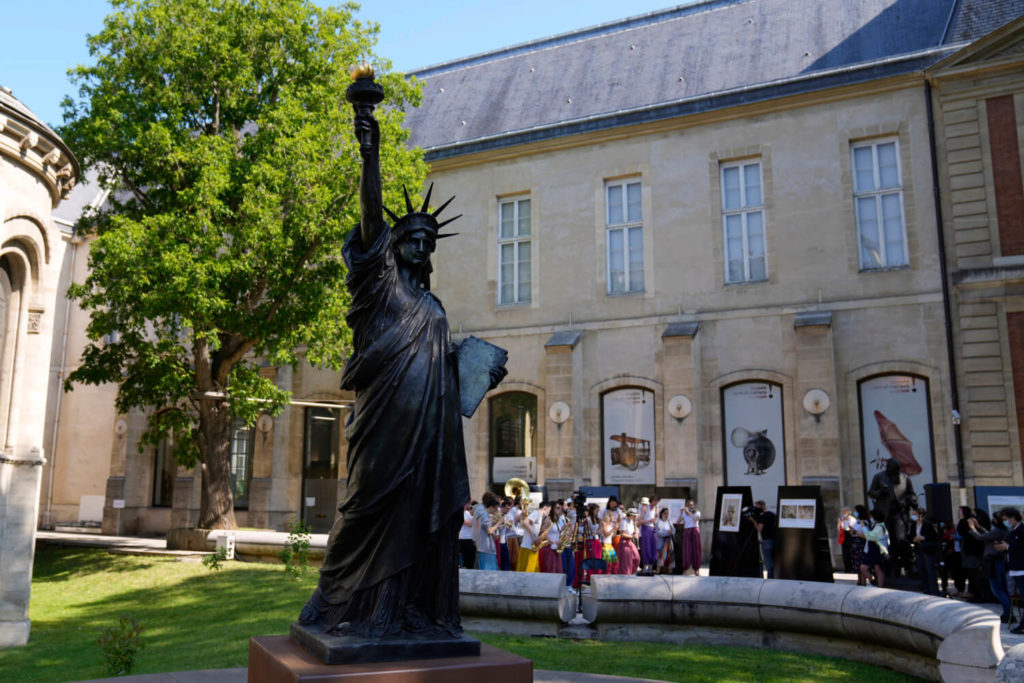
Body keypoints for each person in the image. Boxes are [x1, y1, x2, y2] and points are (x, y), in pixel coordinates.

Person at [298, 100, 504, 639]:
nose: (421, 243)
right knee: (363, 509)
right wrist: (371, 152)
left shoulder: (434, 309)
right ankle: (333, 600)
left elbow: (439, 373)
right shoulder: (380, 289)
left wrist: (473, 373)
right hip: (384, 428)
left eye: (428, 240)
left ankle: (407, 610)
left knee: (418, 522)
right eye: (412, 237)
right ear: (394, 246)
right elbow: (371, 215)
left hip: (429, 439)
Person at [968, 510, 1013, 624]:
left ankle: (1008, 613)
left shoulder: (999, 530)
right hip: (999, 561)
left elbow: (982, 538)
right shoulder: (1002, 530)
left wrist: (972, 528)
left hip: (994, 562)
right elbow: (988, 535)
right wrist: (979, 526)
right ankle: (1009, 612)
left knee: (997, 590)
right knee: (1003, 589)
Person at [997, 508, 1024, 634]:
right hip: (1015, 568)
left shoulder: (1021, 530)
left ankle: (1023, 625)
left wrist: (1008, 547)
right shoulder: (1012, 531)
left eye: (1007, 519)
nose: (1007, 522)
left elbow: (1020, 549)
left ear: (1013, 518)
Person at [909, 506, 938, 595]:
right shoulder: (913, 525)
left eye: (915, 513)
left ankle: (934, 589)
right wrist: (913, 539)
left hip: (927, 549)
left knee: (930, 569)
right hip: (918, 549)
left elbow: (934, 536)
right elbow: (910, 536)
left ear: (920, 514)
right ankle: (926, 588)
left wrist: (923, 537)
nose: (913, 515)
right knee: (921, 569)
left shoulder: (928, 525)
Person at [957, 506, 984, 601]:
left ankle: (975, 594)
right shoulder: (967, 522)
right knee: (971, 573)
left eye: (960, 511)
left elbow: (975, 535)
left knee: (973, 574)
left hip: (972, 552)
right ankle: (973, 593)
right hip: (970, 551)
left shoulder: (967, 522)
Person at [858, 508, 889, 588]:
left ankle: (875, 583)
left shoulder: (880, 527)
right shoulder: (876, 525)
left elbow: (870, 536)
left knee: (865, 567)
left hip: (877, 550)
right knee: (877, 567)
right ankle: (876, 584)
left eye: (871, 516)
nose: (870, 518)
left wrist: (863, 527)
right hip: (873, 549)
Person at [517, 500, 549, 572]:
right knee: (527, 574)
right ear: (545, 508)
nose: (549, 512)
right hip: (528, 548)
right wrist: (533, 536)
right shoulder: (537, 513)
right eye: (549, 510)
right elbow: (525, 523)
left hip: (531, 548)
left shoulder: (539, 516)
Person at [472, 492, 501, 570]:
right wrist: (499, 523)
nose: (496, 511)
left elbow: (485, 527)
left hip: (482, 547)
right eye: (496, 508)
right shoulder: (484, 514)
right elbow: (489, 530)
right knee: (489, 574)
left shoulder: (480, 511)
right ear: (491, 506)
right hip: (486, 548)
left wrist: (495, 523)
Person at [753, 500, 777, 579]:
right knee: (773, 561)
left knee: (768, 563)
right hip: (774, 540)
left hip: (766, 540)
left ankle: (769, 579)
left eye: (757, 506)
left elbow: (759, 529)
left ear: (761, 506)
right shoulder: (772, 514)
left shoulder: (762, 517)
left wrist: (753, 521)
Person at [677, 499, 702, 575]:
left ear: (694, 505)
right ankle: (685, 568)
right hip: (687, 531)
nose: (690, 506)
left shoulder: (697, 512)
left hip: (695, 530)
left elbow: (695, 519)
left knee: (696, 550)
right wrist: (681, 513)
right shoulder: (684, 513)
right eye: (689, 505)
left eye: (692, 505)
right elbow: (678, 521)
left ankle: (696, 569)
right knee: (686, 550)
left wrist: (689, 512)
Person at [538, 500, 563, 574]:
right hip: (548, 547)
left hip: (555, 547)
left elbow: (556, 532)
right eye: (557, 508)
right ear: (552, 508)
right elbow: (542, 532)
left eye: (560, 508)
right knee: (551, 569)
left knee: (557, 569)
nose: (559, 510)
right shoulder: (548, 519)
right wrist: (553, 541)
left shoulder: (557, 520)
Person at [617, 508, 641, 575]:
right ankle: (626, 574)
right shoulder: (624, 522)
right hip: (624, 542)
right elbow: (623, 534)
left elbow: (635, 531)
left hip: (630, 541)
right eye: (634, 515)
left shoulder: (632, 522)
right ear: (629, 515)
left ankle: (631, 572)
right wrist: (632, 536)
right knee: (626, 561)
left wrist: (636, 531)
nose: (635, 517)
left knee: (637, 558)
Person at [638, 496, 659, 574]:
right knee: (646, 547)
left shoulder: (656, 509)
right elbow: (639, 522)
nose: (656, 503)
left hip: (652, 529)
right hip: (646, 528)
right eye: (654, 501)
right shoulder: (645, 509)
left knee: (653, 547)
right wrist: (649, 520)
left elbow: (656, 520)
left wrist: (655, 520)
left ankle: (650, 566)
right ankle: (645, 566)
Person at [848, 506, 868, 584]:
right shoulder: (857, 521)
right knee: (856, 561)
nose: (855, 513)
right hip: (855, 542)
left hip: (860, 543)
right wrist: (851, 531)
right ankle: (859, 579)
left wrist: (855, 532)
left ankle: (863, 581)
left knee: (860, 561)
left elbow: (865, 534)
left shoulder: (864, 522)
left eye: (856, 511)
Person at [655, 506, 676, 574]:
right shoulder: (659, 522)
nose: (666, 515)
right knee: (661, 556)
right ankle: (658, 571)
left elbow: (674, 530)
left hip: (669, 542)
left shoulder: (669, 522)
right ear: (661, 514)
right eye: (664, 513)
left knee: (670, 556)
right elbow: (659, 532)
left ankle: (670, 571)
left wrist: (671, 531)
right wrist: (667, 532)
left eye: (667, 513)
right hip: (662, 542)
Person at [600, 508, 620, 574]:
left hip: (610, 545)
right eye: (612, 516)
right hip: (605, 545)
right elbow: (606, 534)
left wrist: (616, 529)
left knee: (615, 562)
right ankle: (606, 577)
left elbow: (613, 537)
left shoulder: (611, 525)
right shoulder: (604, 523)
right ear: (609, 516)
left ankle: (613, 576)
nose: (614, 517)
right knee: (608, 564)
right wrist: (614, 529)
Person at [458, 500, 476, 569]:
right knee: (466, 562)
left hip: (469, 539)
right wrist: (476, 514)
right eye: (468, 503)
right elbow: (470, 524)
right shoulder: (460, 513)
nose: (470, 505)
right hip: (464, 539)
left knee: (470, 562)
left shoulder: (467, 513)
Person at [838, 507, 853, 573]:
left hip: (850, 535)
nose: (843, 513)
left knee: (851, 552)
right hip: (843, 535)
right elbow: (839, 528)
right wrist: (840, 522)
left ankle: (852, 567)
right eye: (843, 512)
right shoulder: (841, 519)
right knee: (845, 553)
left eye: (844, 512)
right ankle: (847, 568)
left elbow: (852, 528)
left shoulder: (852, 519)